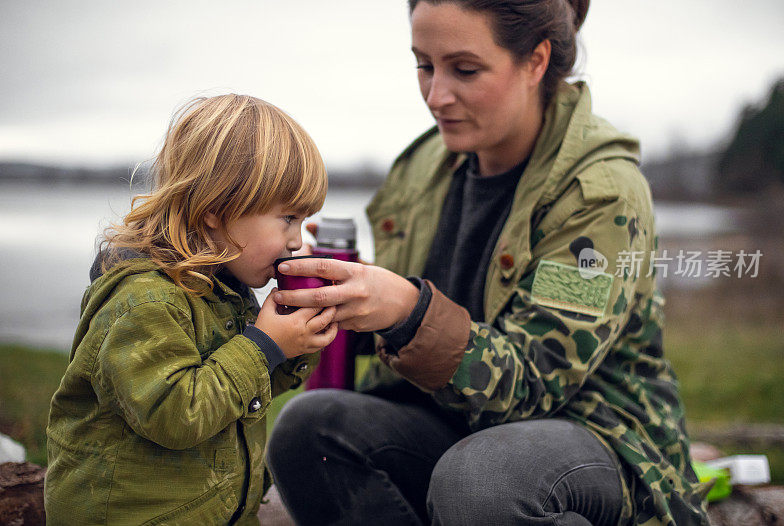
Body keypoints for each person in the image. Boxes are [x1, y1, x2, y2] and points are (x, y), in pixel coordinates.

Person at [268, 1, 713, 525]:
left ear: (536, 62)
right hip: (454, 426)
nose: (437, 96)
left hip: (595, 439)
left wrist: (408, 310)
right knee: (309, 430)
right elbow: (403, 327)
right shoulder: (424, 167)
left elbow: (538, 381)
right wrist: (344, 294)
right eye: (424, 65)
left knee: (483, 480)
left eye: (465, 69)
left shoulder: (600, 195)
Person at [44, 94, 337, 525]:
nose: (297, 240)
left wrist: (297, 335)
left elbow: (248, 389)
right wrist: (262, 345)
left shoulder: (223, 285)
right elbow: (176, 414)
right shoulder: (143, 299)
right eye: (288, 219)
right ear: (218, 210)